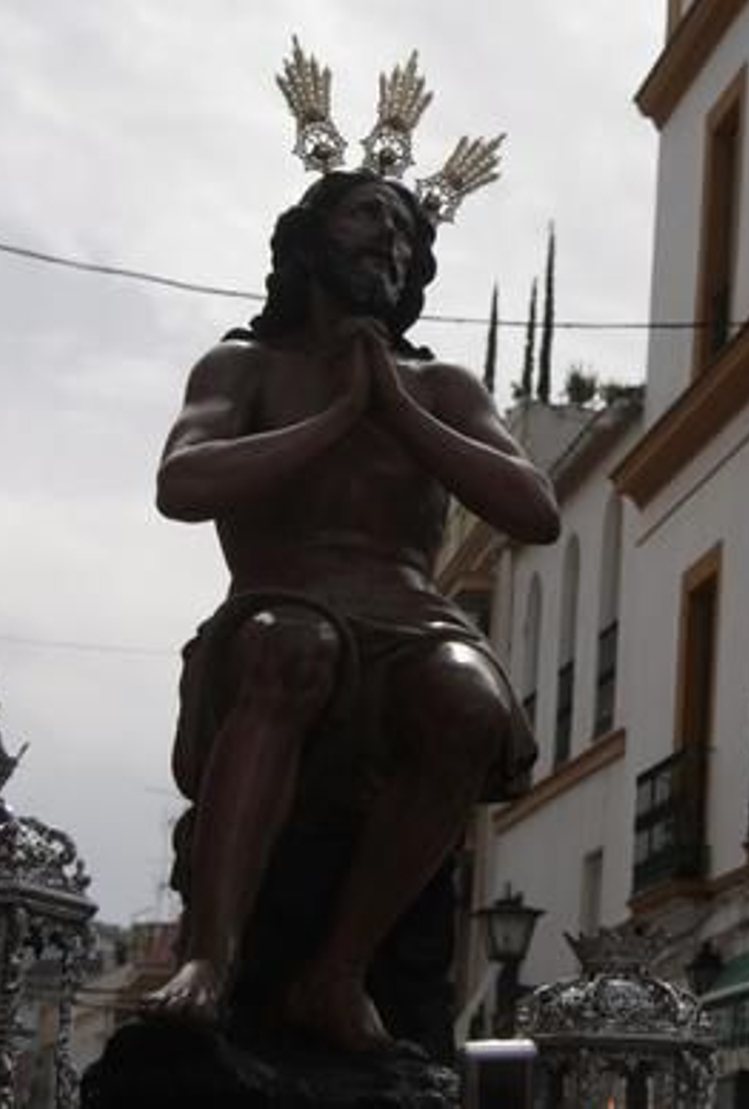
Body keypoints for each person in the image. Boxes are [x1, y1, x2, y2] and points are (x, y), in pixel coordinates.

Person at [143, 168, 558, 1053]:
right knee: (292, 646)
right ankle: (211, 956)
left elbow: (536, 509)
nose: (390, 241)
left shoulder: (442, 387)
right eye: (368, 216)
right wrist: (338, 418)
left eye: (405, 232)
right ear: (309, 239)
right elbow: (182, 483)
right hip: (280, 600)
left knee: (472, 702)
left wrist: (397, 411)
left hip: (411, 619)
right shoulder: (242, 366)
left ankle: (337, 972)